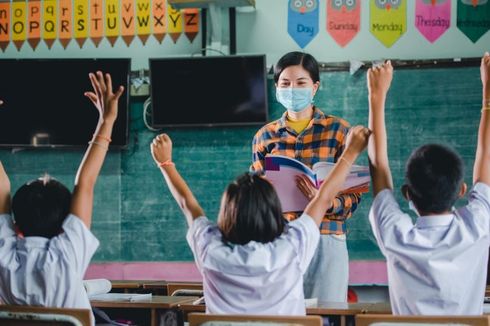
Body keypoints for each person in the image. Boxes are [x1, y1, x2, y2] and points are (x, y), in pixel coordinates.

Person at [150, 126, 370, 314]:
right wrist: (349, 153)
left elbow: (188, 205)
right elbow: (322, 200)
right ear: (274, 211)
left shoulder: (210, 246)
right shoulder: (291, 246)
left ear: (227, 212)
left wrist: (166, 163)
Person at [367, 54, 490, 315]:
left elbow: (379, 167)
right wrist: (488, 91)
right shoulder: (477, 227)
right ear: (461, 191)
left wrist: (376, 98)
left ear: (407, 193)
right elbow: (486, 162)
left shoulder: (396, 234)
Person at [0, 72, 124, 324]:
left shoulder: (4, 257)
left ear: (16, 227)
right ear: (66, 223)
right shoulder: (67, 254)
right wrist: (107, 119)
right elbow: (85, 184)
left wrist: (106, 121)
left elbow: (1, 186)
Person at [251, 51, 361, 302]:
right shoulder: (264, 136)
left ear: (315, 87)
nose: (292, 89)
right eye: (285, 83)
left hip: (327, 236)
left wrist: (323, 200)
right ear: (276, 86)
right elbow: (253, 199)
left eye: (301, 83)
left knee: (328, 313)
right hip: (280, 240)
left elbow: (353, 197)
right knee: (284, 314)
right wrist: (263, 192)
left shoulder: (340, 131)